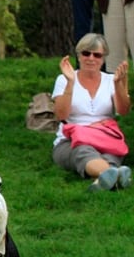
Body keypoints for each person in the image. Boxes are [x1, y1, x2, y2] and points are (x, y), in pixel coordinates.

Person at [51, 33, 131, 191]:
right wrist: (70, 84)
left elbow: (123, 111)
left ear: (103, 58)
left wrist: (118, 84)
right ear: (79, 56)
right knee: (83, 151)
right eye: (86, 53)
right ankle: (113, 175)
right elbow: (61, 115)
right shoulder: (64, 79)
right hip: (71, 140)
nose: (91, 58)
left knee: (111, 153)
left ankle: (102, 181)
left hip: (104, 138)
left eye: (97, 55)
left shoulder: (110, 80)